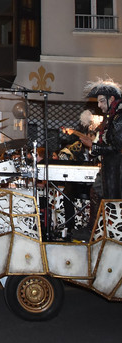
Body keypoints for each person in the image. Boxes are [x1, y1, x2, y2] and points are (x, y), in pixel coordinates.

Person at [73, 78, 122, 240]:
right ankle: (94, 229)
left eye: (102, 101)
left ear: (112, 99)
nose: (99, 105)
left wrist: (92, 146)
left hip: (117, 170)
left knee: (113, 201)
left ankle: (110, 234)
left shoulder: (119, 117)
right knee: (98, 192)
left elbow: (117, 148)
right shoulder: (112, 117)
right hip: (110, 167)